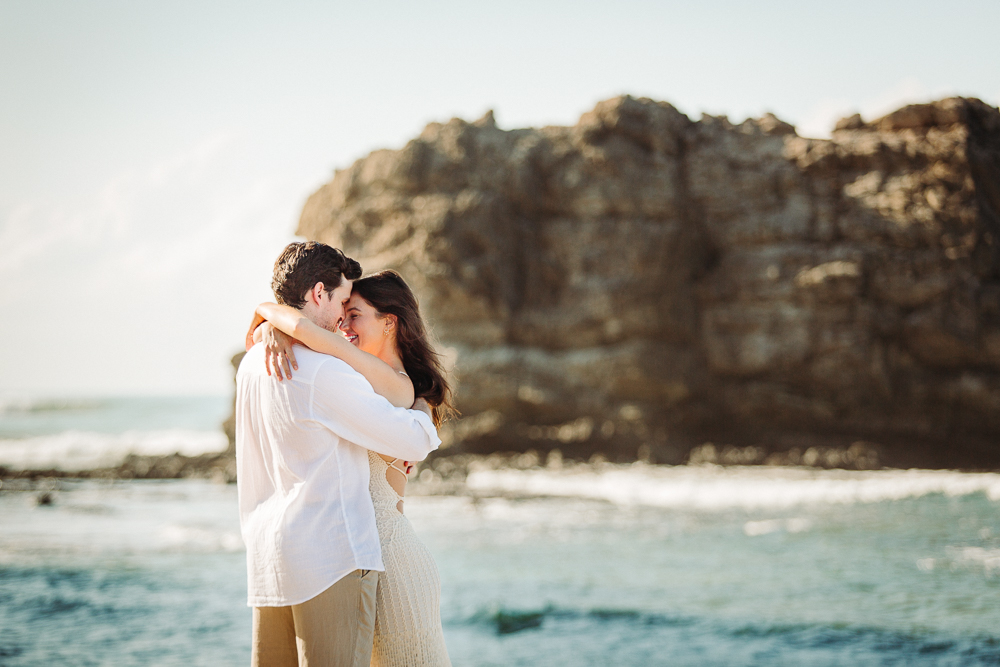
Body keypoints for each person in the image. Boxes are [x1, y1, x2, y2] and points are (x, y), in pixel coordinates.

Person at [236, 243, 442, 667]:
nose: (342, 323)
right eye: (342, 305)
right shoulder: (326, 371)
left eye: (354, 312)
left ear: (390, 323)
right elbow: (414, 439)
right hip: (329, 559)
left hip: (271, 558)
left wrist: (270, 321)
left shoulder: (252, 364)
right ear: (317, 294)